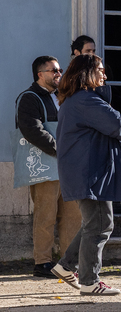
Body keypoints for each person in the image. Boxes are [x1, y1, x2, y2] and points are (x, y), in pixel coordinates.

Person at [54, 54, 121, 296]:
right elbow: (119, 124)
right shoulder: (86, 100)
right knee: (101, 224)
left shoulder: (77, 100)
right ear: (86, 73)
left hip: (86, 171)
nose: (105, 75)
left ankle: (66, 266)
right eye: (100, 70)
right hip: (90, 173)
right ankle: (90, 281)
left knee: (96, 223)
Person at [16, 56, 82, 280]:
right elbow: (32, 130)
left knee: (73, 215)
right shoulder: (29, 98)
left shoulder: (63, 96)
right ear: (39, 74)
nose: (58, 74)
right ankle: (42, 262)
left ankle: (68, 262)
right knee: (46, 215)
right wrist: (61, 149)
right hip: (45, 166)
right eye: (53, 70)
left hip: (68, 165)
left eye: (59, 70)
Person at [71, 35, 111, 103]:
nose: (92, 54)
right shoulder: (71, 75)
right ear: (77, 53)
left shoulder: (97, 73)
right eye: (88, 51)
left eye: (93, 51)